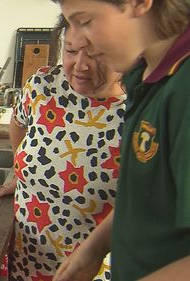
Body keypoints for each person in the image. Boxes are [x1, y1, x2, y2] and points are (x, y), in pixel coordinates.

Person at [49, 1, 190, 281]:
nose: (76, 39)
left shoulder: (184, 90)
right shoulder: (144, 75)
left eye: (85, 21)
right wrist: (95, 247)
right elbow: (148, 197)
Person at [0, 15, 126, 280]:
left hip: (92, 270)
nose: (80, 66)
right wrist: (23, 175)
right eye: (71, 50)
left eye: (96, 54)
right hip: (27, 259)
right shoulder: (43, 85)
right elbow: (19, 122)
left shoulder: (143, 111)